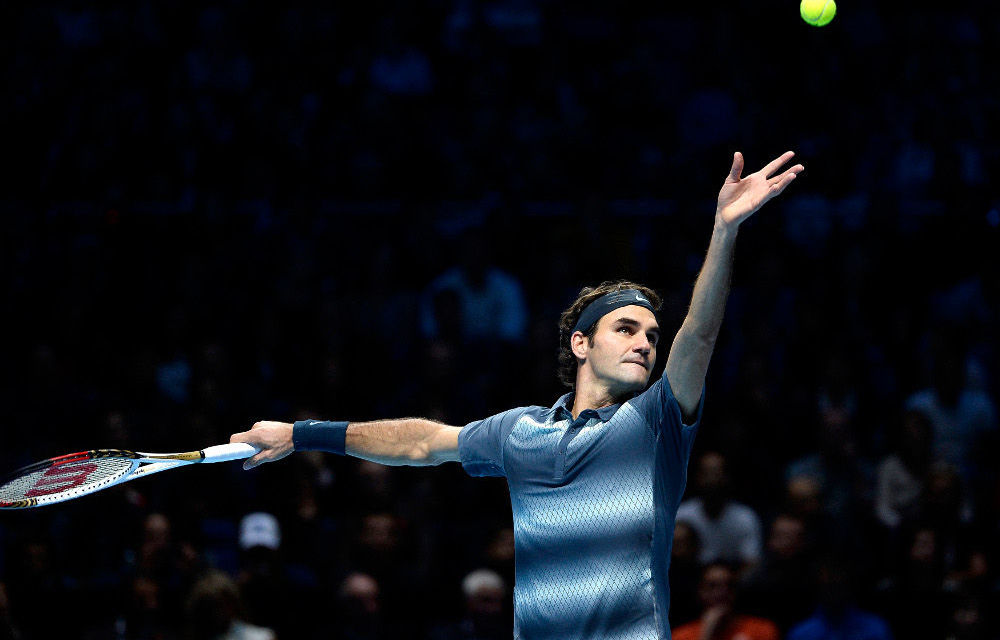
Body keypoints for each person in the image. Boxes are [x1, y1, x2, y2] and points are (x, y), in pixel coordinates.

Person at [230, 151, 804, 639]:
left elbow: (699, 335)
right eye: (626, 329)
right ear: (581, 344)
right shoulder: (521, 431)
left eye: (653, 335)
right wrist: (299, 433)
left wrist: (724, 230)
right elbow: (421, 443)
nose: (646, 344)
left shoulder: (656, 425)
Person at [671, 561, 779, 640]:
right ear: (700, 591)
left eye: (729, 585)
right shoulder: (681, 636)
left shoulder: (763, 630)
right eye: (712, 586)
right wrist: (706, 634)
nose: (721, 592)